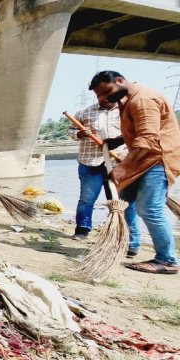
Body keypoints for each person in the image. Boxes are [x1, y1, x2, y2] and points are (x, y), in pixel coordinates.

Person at [90, 70, 179, 275]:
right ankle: (129, 243)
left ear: (120, 81)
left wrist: (121, 170)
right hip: (143, 161)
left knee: (150, 209)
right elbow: (139, 130)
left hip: (157, 160)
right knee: (123, 201)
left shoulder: (144, 100)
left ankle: (167, 260)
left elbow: (147, 141)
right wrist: (119, 140)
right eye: (99, 96)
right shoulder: (126, 99)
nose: (103, 98)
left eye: (105, 91)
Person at [67, 97, 122, 240]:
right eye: (99, 95)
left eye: (106, 94)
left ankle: (116, 233)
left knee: (117, 200)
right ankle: (82, 230)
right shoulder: (85, 112)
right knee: (86, 199)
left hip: (117, 163)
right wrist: (80, 133)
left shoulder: (125, 111)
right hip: (90, 162)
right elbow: (71, 131)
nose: (103, 98)